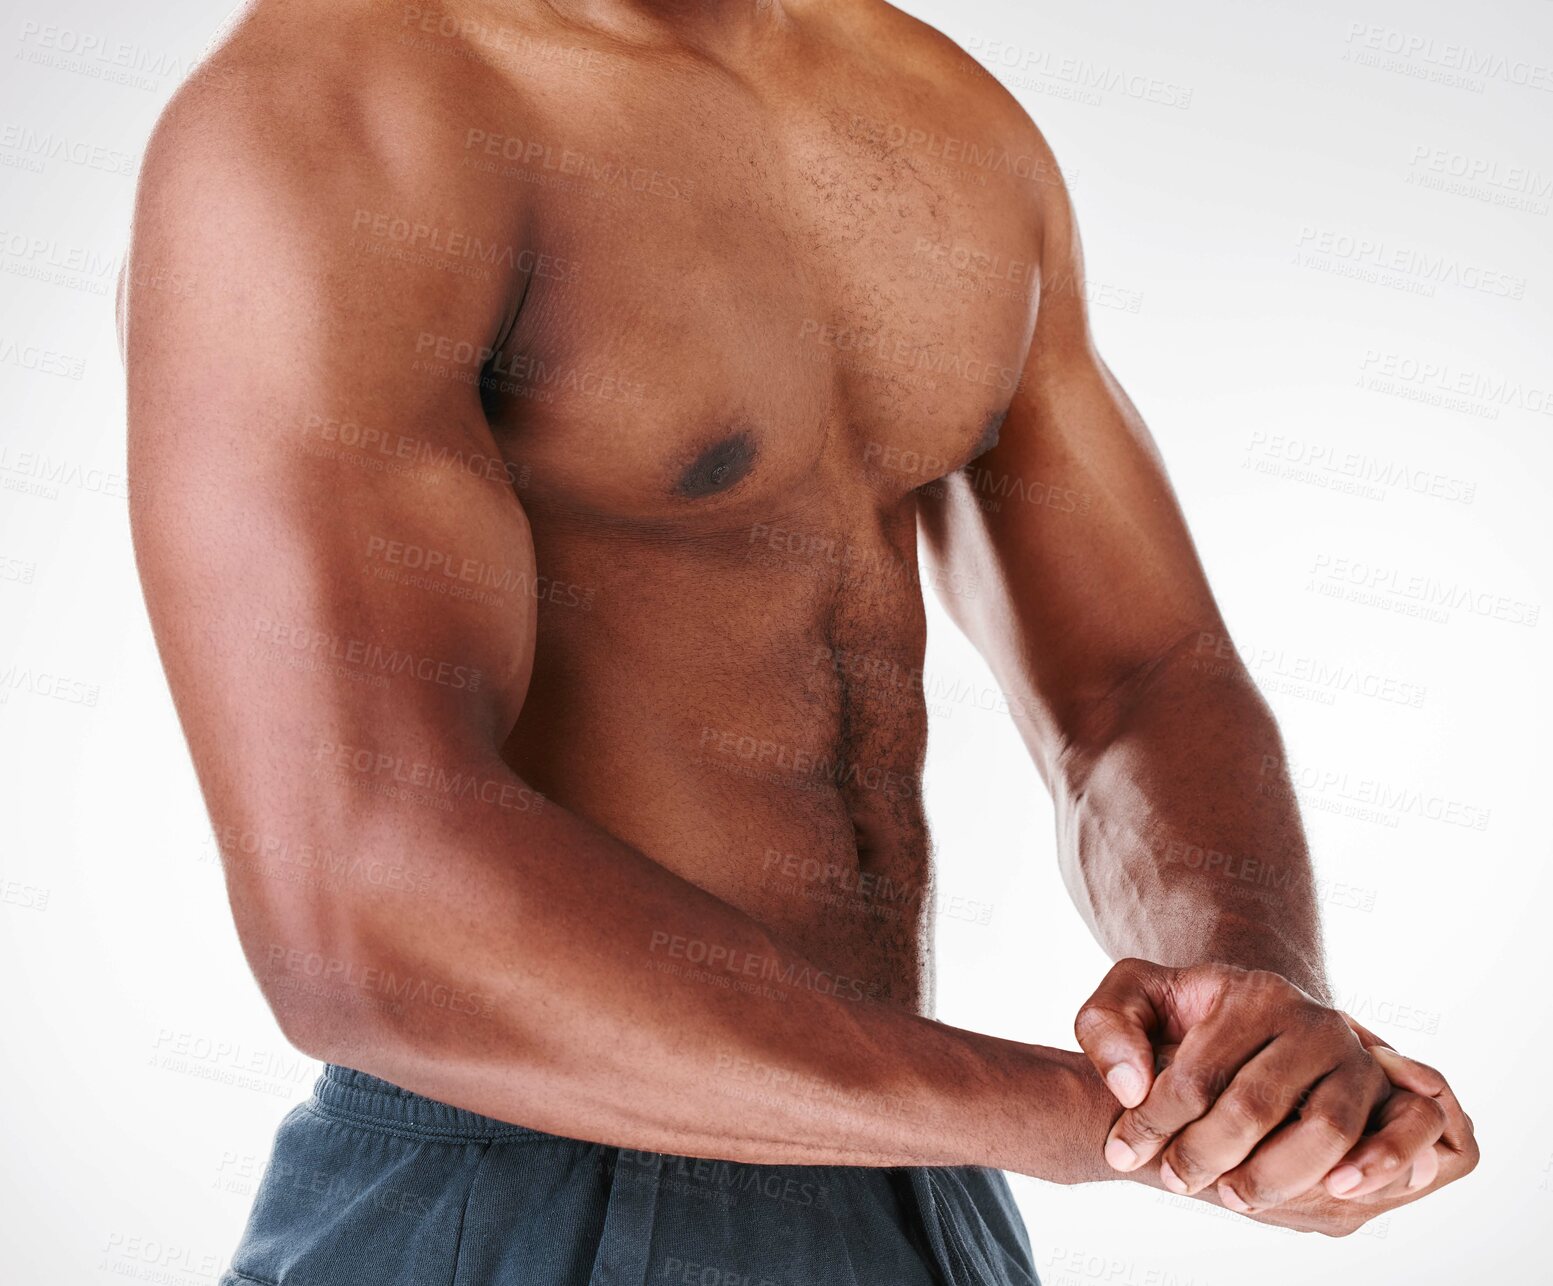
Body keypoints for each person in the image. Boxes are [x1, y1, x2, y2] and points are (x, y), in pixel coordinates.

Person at [121, 1, 1477, 1282]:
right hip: (534, 1184)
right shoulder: (337, 115)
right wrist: (1094, 1119)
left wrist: (1252, 1032)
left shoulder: (939, 119)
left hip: (921, 1179)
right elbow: (361, 905)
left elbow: (1135, 680)